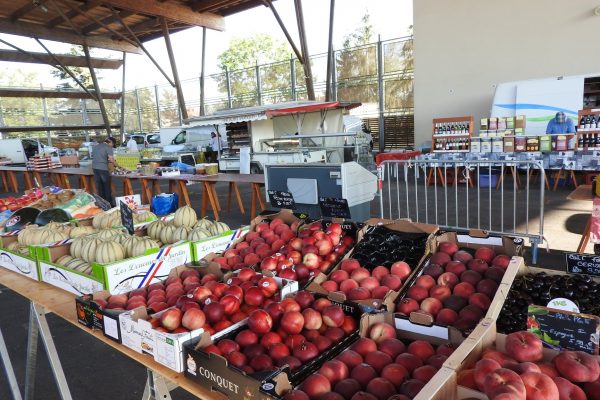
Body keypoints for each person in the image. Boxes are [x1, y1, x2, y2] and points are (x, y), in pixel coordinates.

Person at [92, 137, 116, 206]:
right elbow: (111, 159)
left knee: (100, 188)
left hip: (95, 168)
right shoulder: (108, 147)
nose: (112, 146)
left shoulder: (96, 146)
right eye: (113, 144)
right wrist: (117, 165)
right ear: (111, 142)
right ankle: (109, 204)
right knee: (106, 187)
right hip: (103, 169)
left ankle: (102, 204)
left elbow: (97, 157)